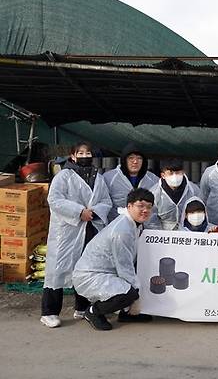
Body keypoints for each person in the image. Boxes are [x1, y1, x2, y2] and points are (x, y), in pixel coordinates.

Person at [40, 142, 112, 328]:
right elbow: (54, 199)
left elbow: (105, 200)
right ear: (72, 156)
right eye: (80, 152)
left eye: (88, 152)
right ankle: (49, 312)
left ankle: (82, 307)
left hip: (90, 228)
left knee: (84, 267)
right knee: (57, 269)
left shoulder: (98, 177)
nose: (84, 155)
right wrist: (79, 211)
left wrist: (94, 212)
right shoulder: (64, 175)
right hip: (67, 230)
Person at [72, 188, 155, 331]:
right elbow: (124, 267)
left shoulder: (133, 224)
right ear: (129, 206)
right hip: (90, 276)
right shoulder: (121, 231)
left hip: (107, 272)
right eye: (140, 206)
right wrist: (136, 297)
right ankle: (93, 312)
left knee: (132, 286)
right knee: (129, 293)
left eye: (149, 207)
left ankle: (126, 313)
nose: (145, 210)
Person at [104, 143, 159, 221]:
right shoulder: (109, 178)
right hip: (117, 226)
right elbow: (105, 204)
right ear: (124, 160)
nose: (135, 161)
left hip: (146, 229)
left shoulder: (153, 180)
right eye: (131, 158)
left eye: (139, 158)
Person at [149, 159, 200, 230]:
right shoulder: (154, 192)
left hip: (188, 233)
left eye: (178, 173)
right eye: (171, 173)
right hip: (163, 234)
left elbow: (200, 212)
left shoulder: (193, 190)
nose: (175, 176)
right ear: (163, 175)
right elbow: (151, 219)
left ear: (183, 172)